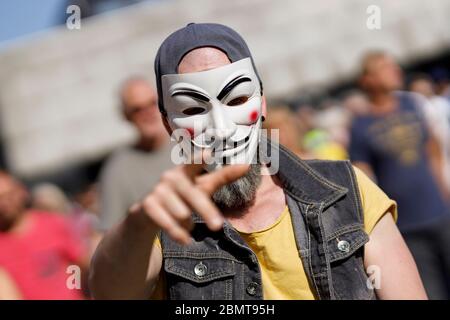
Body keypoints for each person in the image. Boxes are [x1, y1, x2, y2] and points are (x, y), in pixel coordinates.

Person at [90, 23, 426, 300]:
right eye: (193, 110)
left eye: (236, 99)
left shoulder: (345, 191)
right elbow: (107, 292)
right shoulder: (161, 230)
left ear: (262, 104)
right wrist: (140, 224)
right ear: (168, 125)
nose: (221, 129)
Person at [350, 51, 450, 299]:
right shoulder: (360, 125)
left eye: (394, 65)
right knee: (431, 290)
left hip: (440, 214)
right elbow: (363, 179)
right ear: (368, 80)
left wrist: (445, 193)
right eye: (384, 67)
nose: (394, 70)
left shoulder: (411, 103)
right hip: (405, 227)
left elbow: (434, 152)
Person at [98, 77, 173, 230]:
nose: (147, 113)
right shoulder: (117, 170)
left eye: (151, 103)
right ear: (125, 116)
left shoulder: (189, 141)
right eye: (137, 109)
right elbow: (109, 232)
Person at [0, 171, 88, 299]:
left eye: (7, 196)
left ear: (20, 191)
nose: (3, 205)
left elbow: (82, 265)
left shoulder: (52, 223)